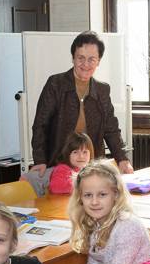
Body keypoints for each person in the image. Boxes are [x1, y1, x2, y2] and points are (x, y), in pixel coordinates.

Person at [30, 31, 133, 183]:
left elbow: (111, 129)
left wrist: (122, 159)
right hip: (59, 165)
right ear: (73, 58)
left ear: (98, 61)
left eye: (91, 59)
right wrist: (40, 159)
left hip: (91, 167)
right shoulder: (55, 84)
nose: (86, 64)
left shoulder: (102, 90)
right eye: (81, 58)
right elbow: (40, 125)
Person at [68, 161, 150, 264]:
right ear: (80, 198)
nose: (94, 202)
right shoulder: (96, 225)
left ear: (116, 195)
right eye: (88, 195)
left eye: (102, 194)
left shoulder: (128, 227)